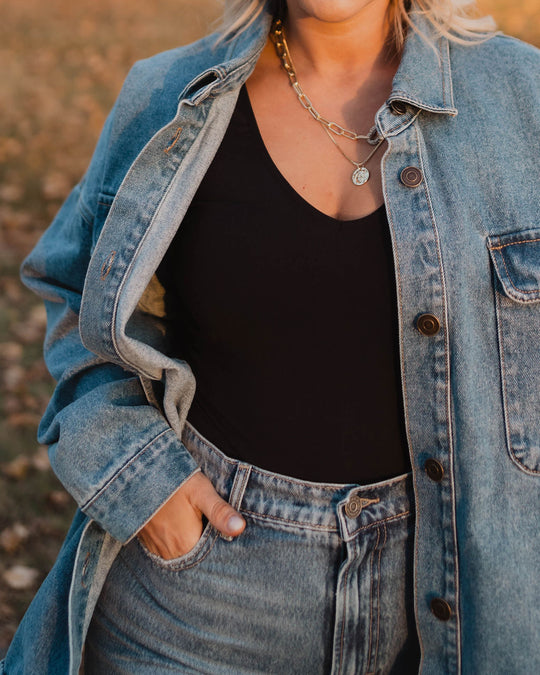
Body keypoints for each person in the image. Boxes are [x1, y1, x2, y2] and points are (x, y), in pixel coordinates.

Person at [3, 0, 540, 672]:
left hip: (459, 604)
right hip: (202, 597)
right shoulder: (171, 98)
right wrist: (143, 481)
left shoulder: (523, 98)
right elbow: (72, 287)